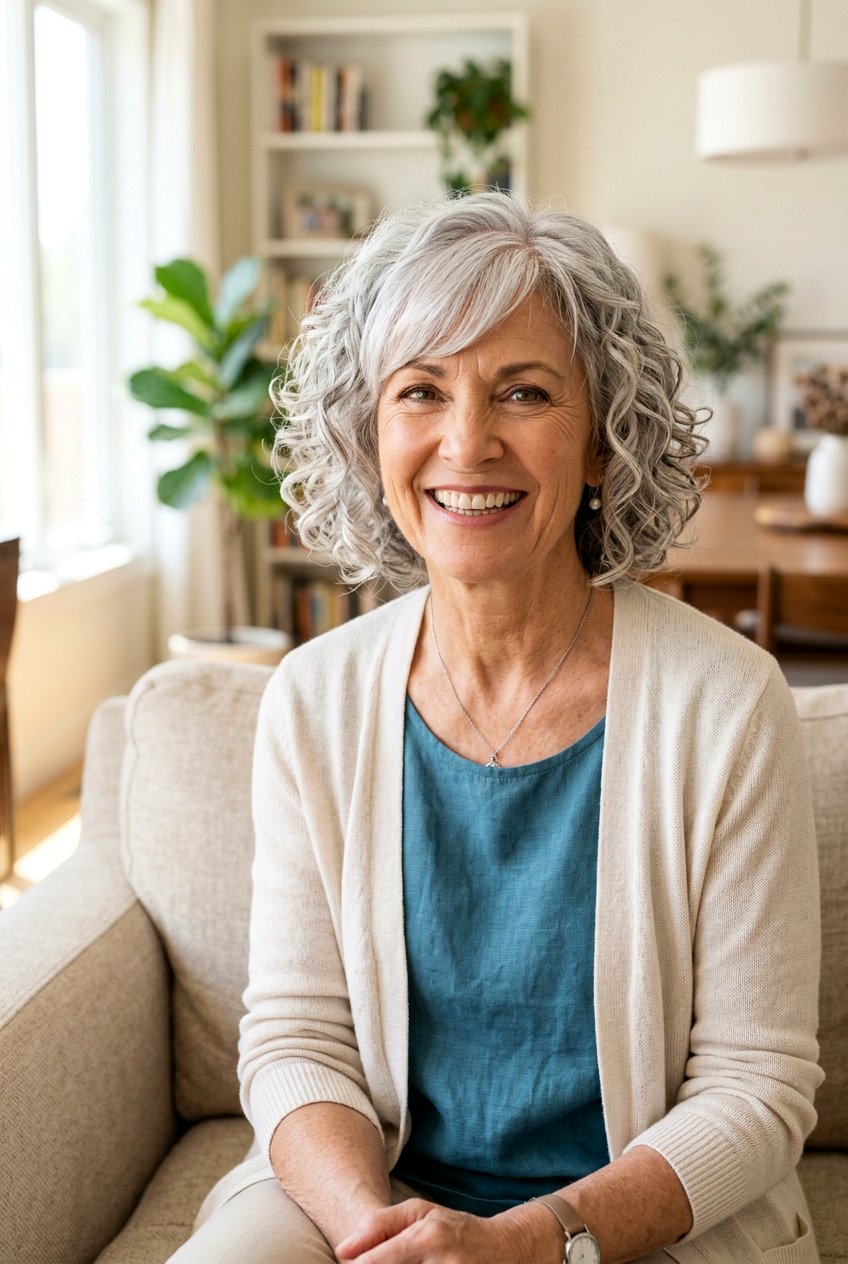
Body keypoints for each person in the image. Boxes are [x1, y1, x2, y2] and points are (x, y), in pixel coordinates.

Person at [169, 194, 822, 1264]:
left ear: (606, 440)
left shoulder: (728, 702)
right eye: (419, 391)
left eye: (522, 392)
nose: (465, 443)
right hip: (367, 1198)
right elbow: (296, 1038)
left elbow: (754, 1086)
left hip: (631, 1222)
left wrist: (533, 1240)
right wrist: (373, 1236)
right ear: (368, 433)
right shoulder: (312, 697)